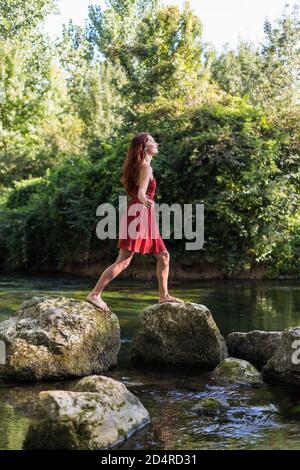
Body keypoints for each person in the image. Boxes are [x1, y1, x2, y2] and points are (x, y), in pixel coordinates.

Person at [86, 132, 184, 311]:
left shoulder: (140, 166)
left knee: (163, 256)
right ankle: (94, 294)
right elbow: (141, 192)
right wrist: (145, 200)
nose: (156, 143)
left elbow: (140, 191)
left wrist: (145, 202)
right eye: (152, 141)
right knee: (124, 261)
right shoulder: (145, 168)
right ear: (143, 147)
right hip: (139, 213)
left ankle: (163, 296)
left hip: (141, 213)